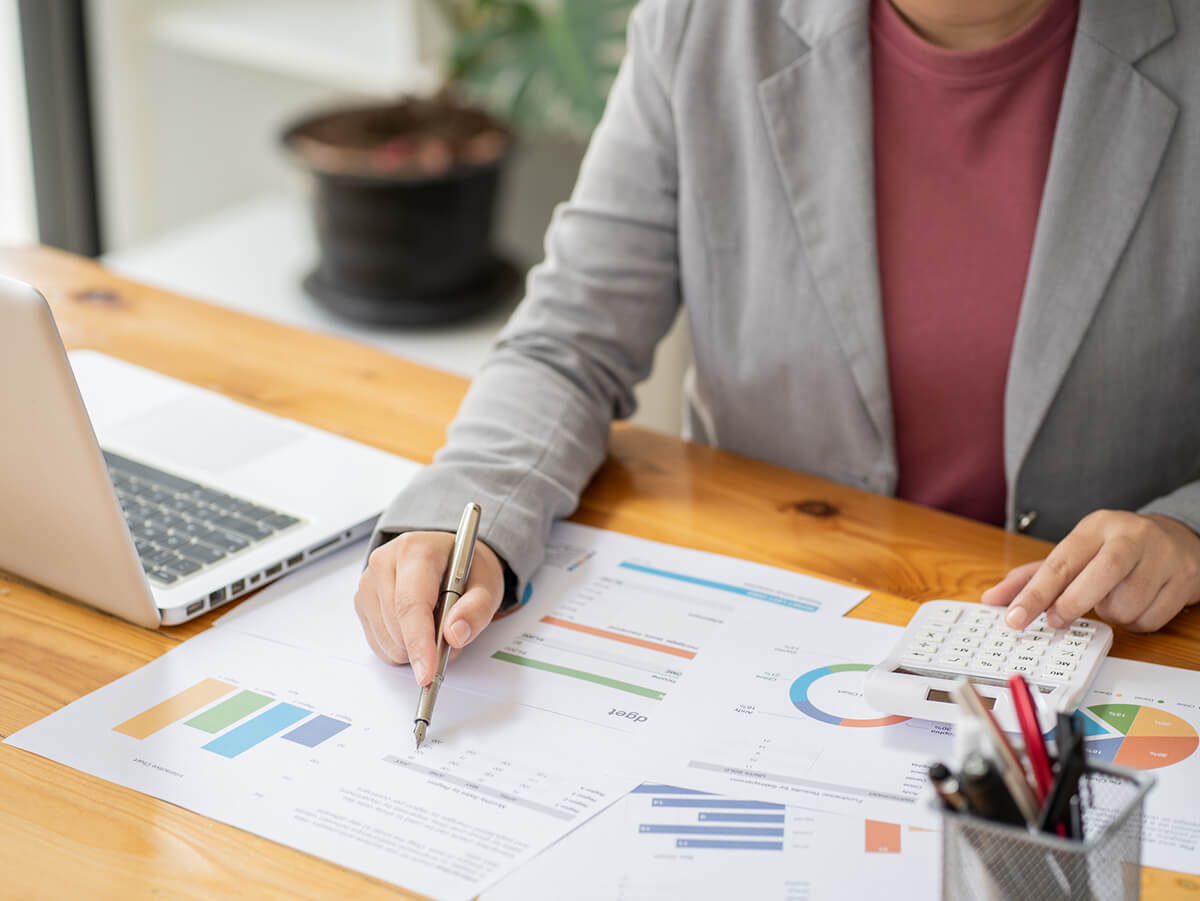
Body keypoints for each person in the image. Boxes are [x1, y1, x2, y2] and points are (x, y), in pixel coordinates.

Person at [355, 0, 1200, 684]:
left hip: (1113, 657)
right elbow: (571, 338)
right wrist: (464, 518)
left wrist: (1188, 535)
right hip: (778, 638)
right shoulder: (703, 25)